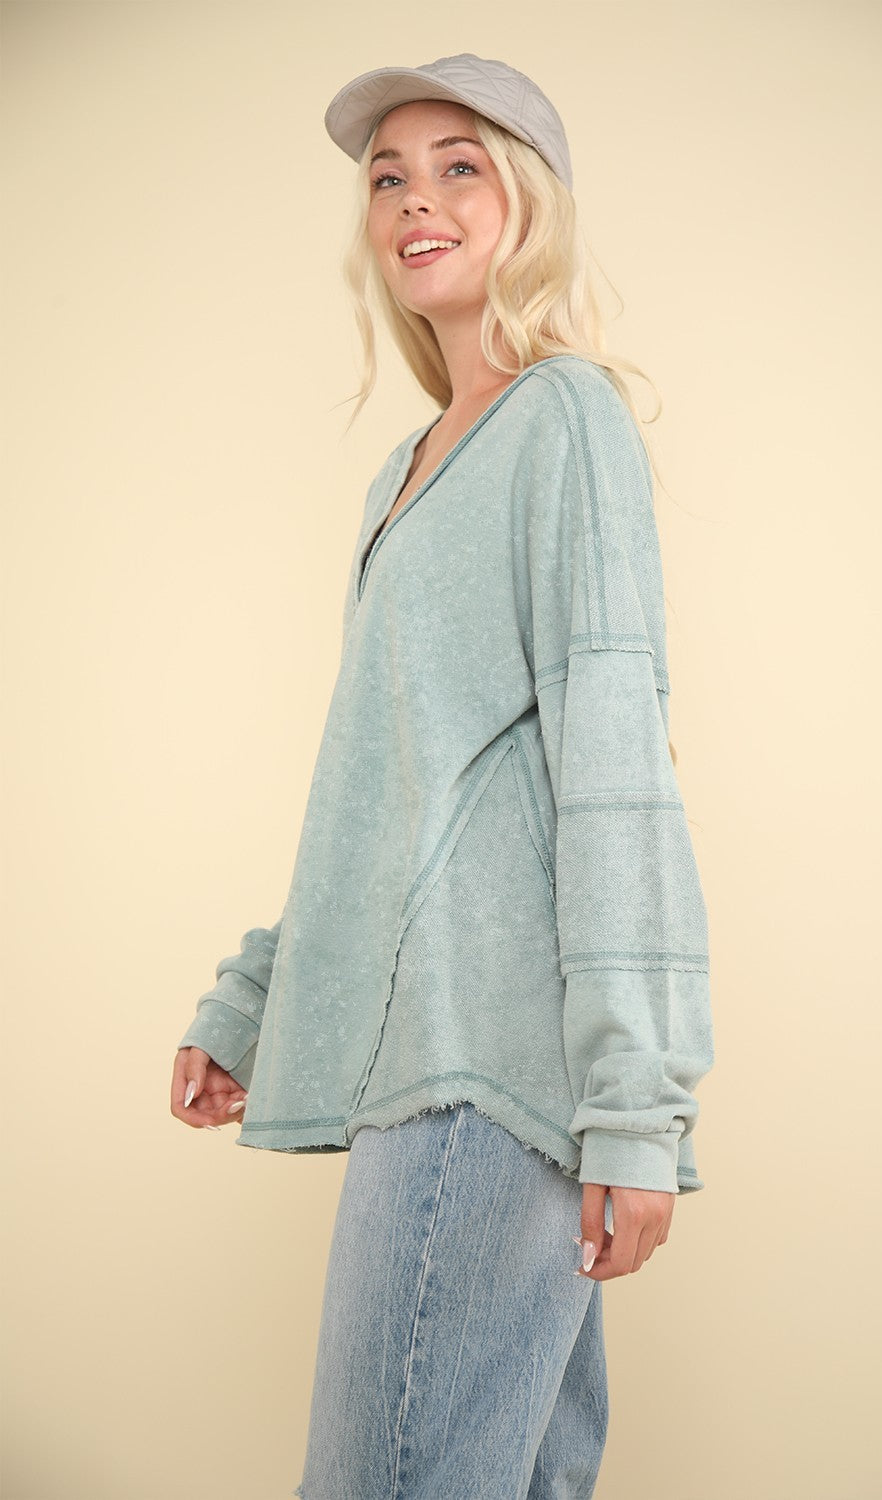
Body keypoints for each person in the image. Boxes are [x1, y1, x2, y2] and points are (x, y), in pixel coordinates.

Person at [170, 53, 714, 1499]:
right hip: (439, 1064)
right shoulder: (405, 471)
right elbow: (379, 792)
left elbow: (615, 763)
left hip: (493, 1075)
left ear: (530, 200)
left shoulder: (566, 418)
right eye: (388, 178)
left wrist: (637, 1105)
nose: (417, 200)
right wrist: (258, 995)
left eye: (458, 165)